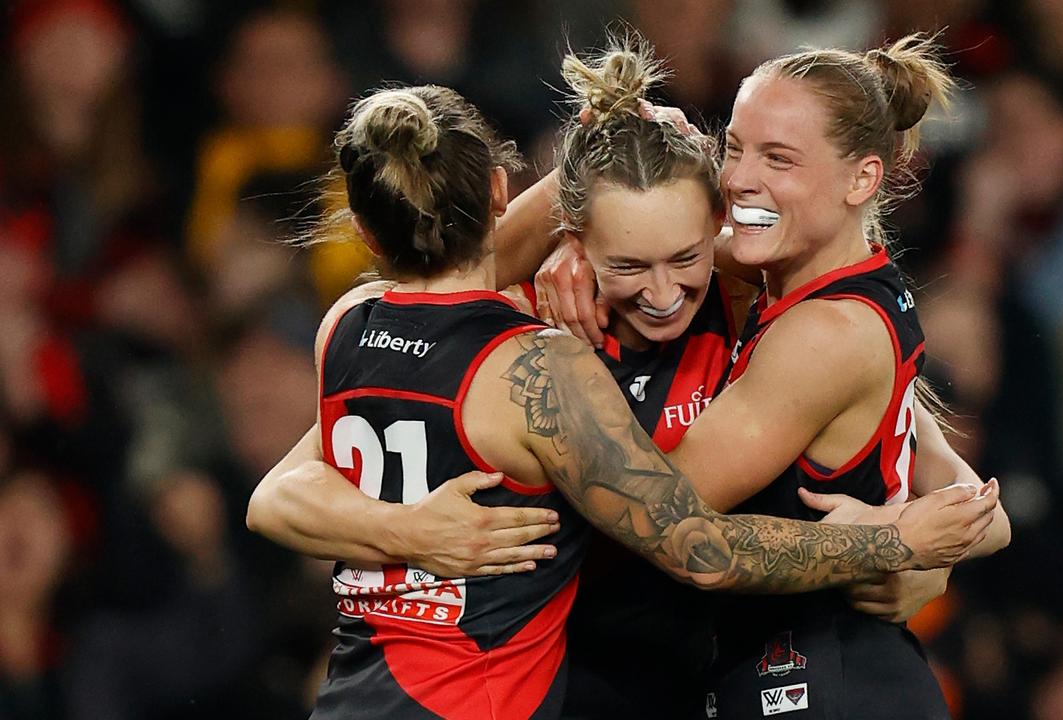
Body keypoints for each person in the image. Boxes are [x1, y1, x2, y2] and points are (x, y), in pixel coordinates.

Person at [246, 83, 997, 719]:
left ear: (715, 231)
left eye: (686, 259)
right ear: (562, 227)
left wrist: (939, 536)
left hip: (722, 680)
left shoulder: (760, 308)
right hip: (575, 688)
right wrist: (410, 530)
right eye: (629, 263)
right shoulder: (534, 350)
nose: (664, 293)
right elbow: (693, 543)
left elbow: (933, 468)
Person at [541, 35, 1013, 718]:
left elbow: (664, 516)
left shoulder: (825, 333)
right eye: (732, 147)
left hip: (820, 684)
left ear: (862, 179)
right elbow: (968, 495)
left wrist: (888, 543)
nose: (737, 179)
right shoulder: (818, 281)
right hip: (797, 677)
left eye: (779, 159)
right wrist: (581, 231)